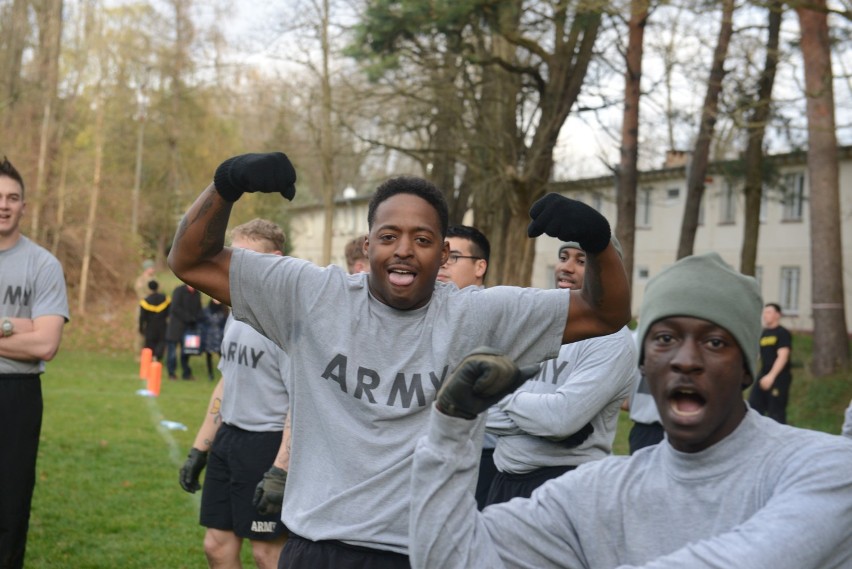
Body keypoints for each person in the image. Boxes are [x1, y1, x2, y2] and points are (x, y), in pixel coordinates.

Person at [167, 151, 630, 568]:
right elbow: (191, 260)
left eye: (423, 239)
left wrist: (598, 241)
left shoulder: (479, 314)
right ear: (368, 247)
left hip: (423, 552)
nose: (404, 249)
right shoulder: (309, 295)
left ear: (444, 253)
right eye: (389, 236)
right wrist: (227, 184)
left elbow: (606, 312)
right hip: (315, 547)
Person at [409, 252, 852, 569]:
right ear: (645, 363)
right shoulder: (599, 493)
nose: (685, 359)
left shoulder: (825, 470)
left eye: (715, 342)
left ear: (746, 369)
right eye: (664, 339)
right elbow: (452, 556)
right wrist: (452, 427)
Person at [483, 240, 636, 506]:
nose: (567, 267)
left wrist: (501, 397)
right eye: (564, 257)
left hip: (568, 488)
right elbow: (478, 414)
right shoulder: (534, 325)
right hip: (504, 482)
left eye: (581, 260)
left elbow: (560, 420)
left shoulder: (612, 340)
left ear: (607, 273)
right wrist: (535, 419)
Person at [179, 219, 290, 569]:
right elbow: (227, 381)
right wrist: (200, 447)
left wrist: (280, 470)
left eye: (246, 259)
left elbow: (302, 405)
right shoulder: (236, 312)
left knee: (267, 553)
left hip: (268, 444)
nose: (233, 269)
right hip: (229, 440)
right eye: (232, 259)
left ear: (275, 260)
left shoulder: (286, 324)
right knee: (217, 545)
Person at [0, 156, 69, 569]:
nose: (4, 205)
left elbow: (45, 344)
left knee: (9, 506)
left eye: (13, 197)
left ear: (24, 205)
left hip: (16, 395)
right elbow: (30, 335)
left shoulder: (43, 264)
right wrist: (13, 327)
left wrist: (27, 333)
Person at [436, 224, 495, 510]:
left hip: (485, 456)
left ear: (480, 266)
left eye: (454, 257)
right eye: (441, 254)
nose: (443, 263)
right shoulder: (434, 312)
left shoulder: (499, 316)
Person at [747, 302, 793, 424]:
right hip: (764, 374)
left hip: (779, 377)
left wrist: (771, 376)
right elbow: (758, 355)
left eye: (768, 312)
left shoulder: (782, 333)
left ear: (777, 315)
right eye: (764, 312)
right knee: (753, 408)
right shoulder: (764, 333)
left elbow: (783, 356)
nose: (765, 315)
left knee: (776, 413)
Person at [165, 282, 203, 380]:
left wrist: (196, 319)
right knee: (172, 352)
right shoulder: (179, 291)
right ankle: (171, 373)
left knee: (186, 352)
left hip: (189, 328)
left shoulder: (197, 293)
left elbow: (199, 309)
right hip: (176, 327)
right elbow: (175, 308)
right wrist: (189, 318)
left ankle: (186, 374)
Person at [139, 280, 170, 361]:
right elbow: (169, 312)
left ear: (149, 288)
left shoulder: (146, 301)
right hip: (162, 324)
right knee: (161, 341)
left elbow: (142, 316)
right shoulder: (165, 299)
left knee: (150, 342)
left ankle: (151, 357)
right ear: (157, 287)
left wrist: (141, 327)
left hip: (150, 325)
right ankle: (157, 356)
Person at [199, 298, 228, 381]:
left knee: (222, 356)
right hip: (208, 337)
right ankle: (210, 374)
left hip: (220, 338)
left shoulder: (224, 311)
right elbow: (201, 322)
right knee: (208, 356)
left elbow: (226, 324)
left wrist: (223, 333)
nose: (216, 301)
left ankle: (225, 373)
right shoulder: (206, 310)